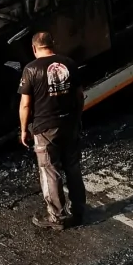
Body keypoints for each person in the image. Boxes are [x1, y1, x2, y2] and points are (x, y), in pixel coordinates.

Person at [18, 32, 86, 230]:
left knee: (50, 170)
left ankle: (57, 217)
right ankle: (79, 210)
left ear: (34, 48)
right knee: (73, 167)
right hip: (70, 124)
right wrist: (77, 118)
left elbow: (25, 105)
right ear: (52, 44)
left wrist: (24, 129)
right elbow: (80, 95)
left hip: (45, 128)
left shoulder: (31, 69)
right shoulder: (69, 63)